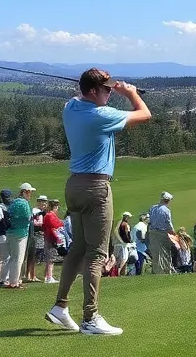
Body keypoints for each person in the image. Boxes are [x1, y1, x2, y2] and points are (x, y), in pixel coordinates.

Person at [44, 69, 151, 337]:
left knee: (79, 247)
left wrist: (106, 89)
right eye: (105, 90)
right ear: (92, 91)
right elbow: (145, 115)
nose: (109, 93)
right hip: (96, 187)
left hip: (74, 185)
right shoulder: (100, 116)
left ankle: (60, 307)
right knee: (96, 253)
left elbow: (76, 97)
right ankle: (90, 318)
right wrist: (131, 94)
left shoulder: (71, 107)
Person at [1, 183, 34, 289]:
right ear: (24, 192)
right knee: (18, 258)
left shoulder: (14, 202)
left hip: (10, 232)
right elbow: (28, 217)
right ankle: (14, 282)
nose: (30, 194)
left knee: (12, 257)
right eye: (29, 192)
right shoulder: (24, 203)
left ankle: (11, 279)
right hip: (21, 233)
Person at [147, 191, 177, 276]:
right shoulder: (166, 210)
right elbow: (168, 223)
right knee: (165, 252)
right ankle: (166, 270)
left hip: (152, 233)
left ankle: (156, 270)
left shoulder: (153, 208)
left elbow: (149, 220)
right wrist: (173, 232)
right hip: (162, 233)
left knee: (155, 252)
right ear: (167, 200)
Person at [41, 198, 64, 284]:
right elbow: (56, 224)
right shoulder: (50, 215)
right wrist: (62, 223)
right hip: (51, 238)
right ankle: (49, 277)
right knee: (50, 259)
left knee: (50, 259)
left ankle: (47, 276)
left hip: (49, 237)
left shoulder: (48, 215)